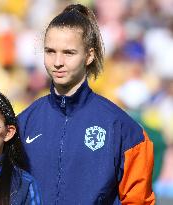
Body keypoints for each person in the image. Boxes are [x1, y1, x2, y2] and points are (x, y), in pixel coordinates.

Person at [18, 3, 155, 204]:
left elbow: (139, 200)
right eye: (50, 51)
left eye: (68, 53)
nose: (57, 61)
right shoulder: (23, 123)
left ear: (89, 55)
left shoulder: (124, 129)